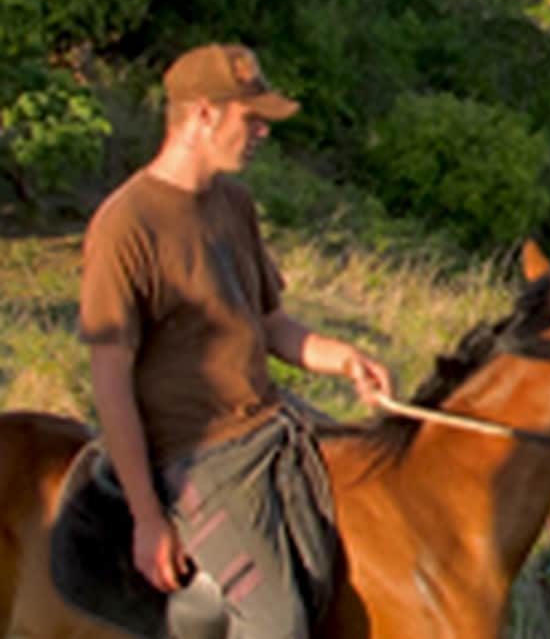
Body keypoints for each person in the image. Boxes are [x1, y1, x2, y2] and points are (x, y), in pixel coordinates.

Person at [78, 43, 394, 637]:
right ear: (202, 115)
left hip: (272, 421)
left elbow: (271, 324)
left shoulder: (233, 203)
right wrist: (148, 517)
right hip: (197, 455)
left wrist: (344, 359)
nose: (263, 132)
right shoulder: (126, 225)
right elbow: (110, 380)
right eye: (252, 118)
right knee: (279, 625)